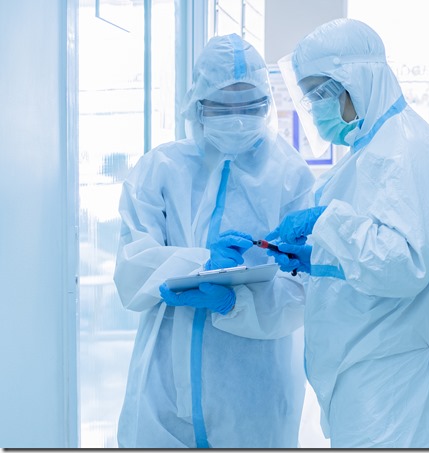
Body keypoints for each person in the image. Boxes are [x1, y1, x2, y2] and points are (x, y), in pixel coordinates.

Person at [113, 33, 315, 448]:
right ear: (197, 106)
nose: (237, 117)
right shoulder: (162, 169)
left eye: (250, 105)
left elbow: (304, 288)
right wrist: (203, 261)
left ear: (267, 105)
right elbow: (132, 268)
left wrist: (236, 303)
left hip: (256, 388)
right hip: (163, 386)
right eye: (223, 106)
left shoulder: (290, 175)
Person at [267, 18, 429, 448]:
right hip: (367, 381)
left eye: (320, 92)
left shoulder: (406, 149)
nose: (315, 107)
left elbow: (404, 264)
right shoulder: (371, 149)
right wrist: (316, 258)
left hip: (394, 391)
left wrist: (325, 223)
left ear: (357, 79)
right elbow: (370, 255)